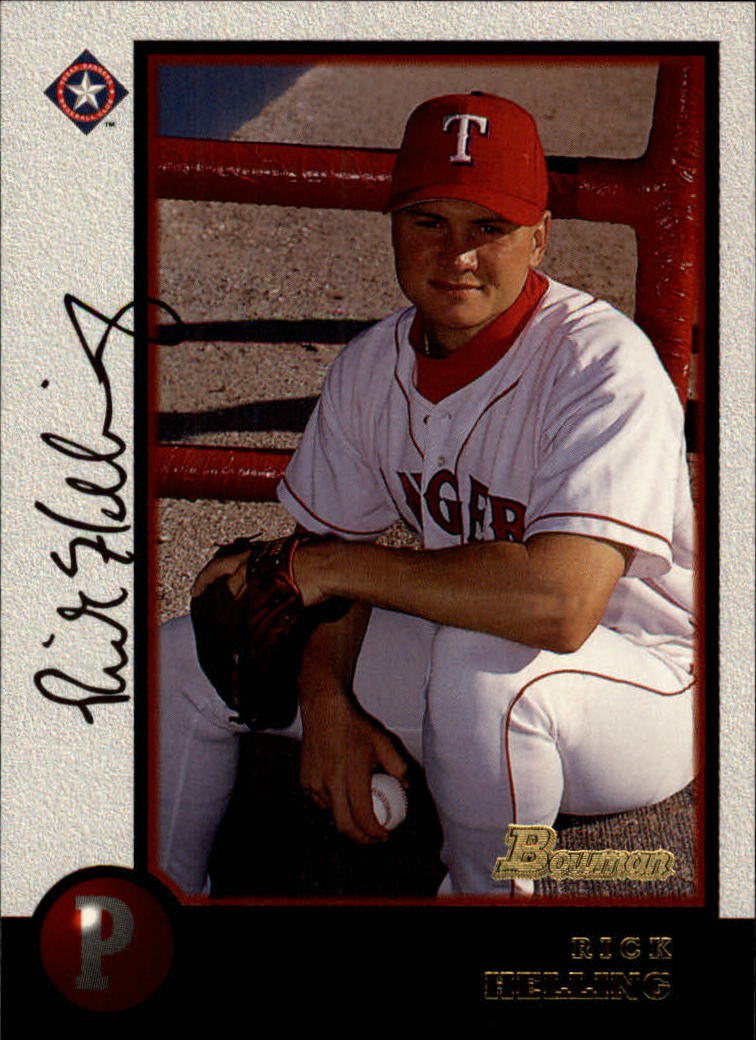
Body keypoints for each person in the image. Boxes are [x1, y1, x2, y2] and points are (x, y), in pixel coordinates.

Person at [158, 92, 696, 897]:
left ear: (539, 236)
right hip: (473, 665)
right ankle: (159, 912)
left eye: (490, 226)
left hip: (644, 690)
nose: (457, 254)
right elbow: (329, 559)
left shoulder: (601, 365)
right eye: (429, 221)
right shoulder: (372, 366)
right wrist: (328, 701)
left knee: (487, 664)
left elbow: (560, 607)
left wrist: (332, 568)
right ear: (393, 226)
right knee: (183, 661)